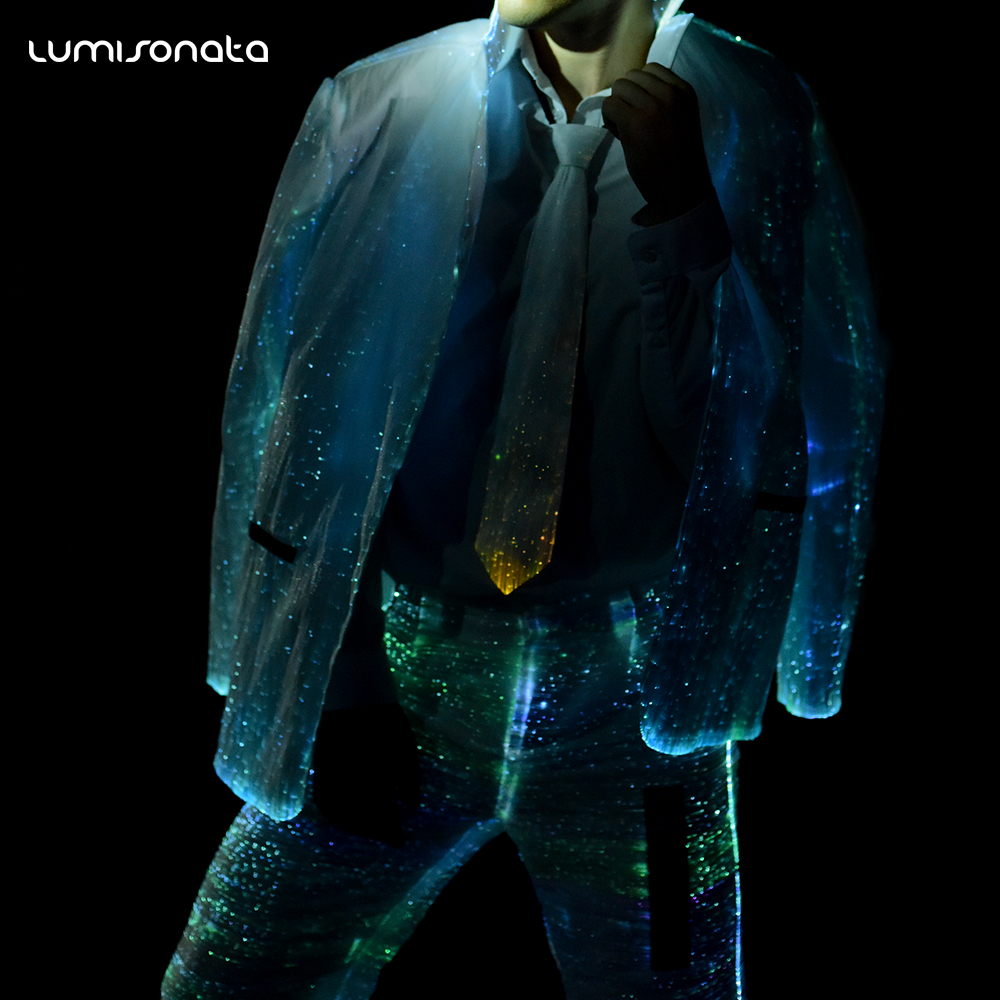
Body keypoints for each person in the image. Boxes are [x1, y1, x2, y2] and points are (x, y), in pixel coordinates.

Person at [162, 1, 882, 997]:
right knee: (233, 980)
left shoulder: (759, 113)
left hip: (641, 701)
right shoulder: (382, 100)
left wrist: (686, 216)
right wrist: (344, 678)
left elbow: (768, 421)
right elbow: (305, 398)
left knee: (672, 986)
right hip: (407, 667)